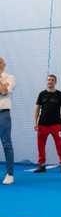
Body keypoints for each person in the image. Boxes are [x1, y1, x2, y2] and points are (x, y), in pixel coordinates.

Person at [33, 74, 61, 173]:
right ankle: (41, 166)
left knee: (60, 145)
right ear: (47, 81)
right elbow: (37, 109)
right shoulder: (41, 94)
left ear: (55, 82)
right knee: (40, 145)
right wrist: (35, 123)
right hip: (42, 125)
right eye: (48, 80)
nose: (50, 81)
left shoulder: (60, 94)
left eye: (52, 80)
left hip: (56, 125)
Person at [0, 57, 16, 185]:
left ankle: (10, 174)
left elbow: (4, 91)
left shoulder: (10, 78)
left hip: (3, 114)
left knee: (6, 143)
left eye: (0, 62)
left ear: (4, 64)